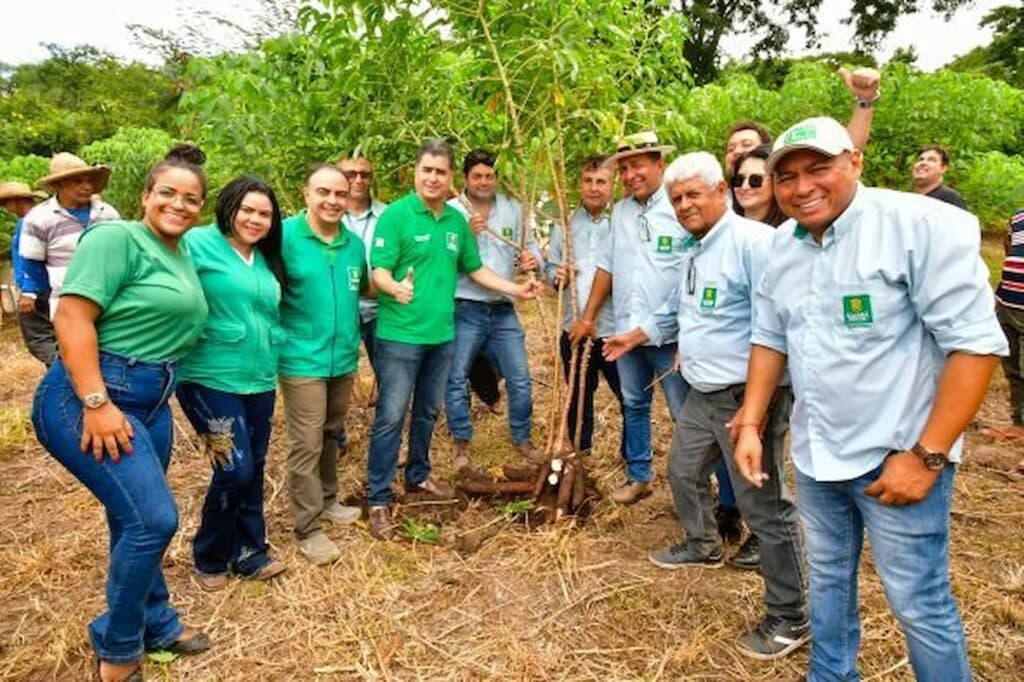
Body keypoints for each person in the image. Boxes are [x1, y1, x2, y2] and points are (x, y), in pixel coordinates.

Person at [733, 117, 1007, 680]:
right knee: (829, 585)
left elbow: (976, 347)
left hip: (897, 460)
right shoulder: (782, 246)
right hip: (817, 454)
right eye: (787, 177)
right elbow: (770, 337)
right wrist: (751, 424)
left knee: (918, 602)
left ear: (854, 162)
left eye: (819, 168)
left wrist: (927, 456)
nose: (802, 186)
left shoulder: (920, 226)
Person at [30, 145, 213, 682]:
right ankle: (117, 646)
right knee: (154, 519)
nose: (180, 205)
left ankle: (155, 622)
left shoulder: (180, 253)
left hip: (151, 398)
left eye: (192, 199)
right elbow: (72, 317)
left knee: (132, 517)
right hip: (94, 393)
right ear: (145, 196)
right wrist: (96, 402)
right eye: (168, 194)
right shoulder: (116, 238)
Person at [648, 152, 808, 660]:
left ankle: (791, 614)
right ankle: (704, 543)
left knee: (765, 507)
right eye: (677, 198)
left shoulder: (754, 244)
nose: (685, 204)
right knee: (681, 470)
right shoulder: (697, 248)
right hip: (702, 391)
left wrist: (756, 413)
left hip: (745, 399)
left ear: (723, 191)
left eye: (694, 193)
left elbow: (778, 327)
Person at [366, 139, 540, 540]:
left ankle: (419, 476)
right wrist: (394, 289)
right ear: (416, 173)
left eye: (440, 172)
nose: (433, 178)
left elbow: (476, 271)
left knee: (428, 411)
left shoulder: (456, 223)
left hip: (442, 335)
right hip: (399, 337)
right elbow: (378, 271)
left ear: (449, 180)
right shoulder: (395, 216)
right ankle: (378, 497)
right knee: (392, 416)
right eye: (427, 170)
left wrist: (517, 290)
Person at [175, 176, 288, 590]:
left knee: (254, 465)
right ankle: (210, 554)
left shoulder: (264, 258)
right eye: (248, 210)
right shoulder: (197, 244)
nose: (255, 219)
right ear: (229, 208)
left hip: (258, 378)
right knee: (233, 467)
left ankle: (251, 551)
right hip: (208, 377)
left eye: (264, 214)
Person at [569, 131, 689, 504]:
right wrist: (588, 317)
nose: (631, 174)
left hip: (670, 338)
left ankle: (701, 489)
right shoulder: (620, 212)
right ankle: (639, 476)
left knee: (684, 416)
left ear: (659, 165)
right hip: (625, 333)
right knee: (634, 404)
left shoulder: (680, 207)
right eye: (624, 168)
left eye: (638, 164)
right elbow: (607, 266)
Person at [278, 164, 370, 565]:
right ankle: (308, 526)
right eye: (323, 192)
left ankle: (329, 500)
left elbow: (364, 289)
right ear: (306, 193)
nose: (332, 201)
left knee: (332, 432)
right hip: (301, 358)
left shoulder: (353, 245)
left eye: (340, 193)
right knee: (307, 441)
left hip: (344, 355)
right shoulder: (282, 237)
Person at [445, 149, 544, 469]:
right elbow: (440, 262)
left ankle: (522, 438)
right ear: (465, 179)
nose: (484, 182)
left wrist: (533, 261)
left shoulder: (514, 209)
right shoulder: (451, 211)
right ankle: (461, 444)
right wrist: (466, 237)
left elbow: (530, 249)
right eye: (477, 176)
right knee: (456, 378)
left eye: (489, 176)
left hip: (502, 308)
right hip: (465, 305)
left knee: (520, 378)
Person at [545, 155, 626, 457]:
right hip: (574, 327)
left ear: (611, 184)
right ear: (579, 184)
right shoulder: (563, 226)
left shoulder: (621, 224)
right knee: (578, 396)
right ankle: (581, 452)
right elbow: (550, 268)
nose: (594, 188)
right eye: (588, 181)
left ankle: (631, 459)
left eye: (601, 181)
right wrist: (557, 276)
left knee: (628, 396)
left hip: (615, 328)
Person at [19, 152, 120, 319]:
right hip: (67, 304)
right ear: (60, 185)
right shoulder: (39, 218)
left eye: (89, 181)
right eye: (78, 181)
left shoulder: (107, 213)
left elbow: (121, 253)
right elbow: (32, 263)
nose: (86, 187)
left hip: (111, 300)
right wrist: (55, 288)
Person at [340, 154, 389, 378]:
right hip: (336, 309)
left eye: (365, 174)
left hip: (380, 309)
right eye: (351, 174)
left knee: (389, 376)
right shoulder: (326, 215)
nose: (358, 180)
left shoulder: (390, 216)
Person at [1, 181, 55, 365]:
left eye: (6, 203)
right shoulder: (36, 219)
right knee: (52, 334)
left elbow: (30, 257)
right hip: (44, 287)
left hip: (36, 289)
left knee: (39, 339)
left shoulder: (29, 223)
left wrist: (28, 291)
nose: (7, 208)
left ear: (15, 201)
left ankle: (63, 371)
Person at [988, 208, 1024, 473]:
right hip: (1007, 302)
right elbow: (1009, 248)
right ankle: (1019, 423)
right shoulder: (1018, 217)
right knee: (1012, 368)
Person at [730, 144, 787, 227]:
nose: (744, 187)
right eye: (739, 179)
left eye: (755, 180)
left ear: (776, 182)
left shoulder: (788, 233)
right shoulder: (720, 226)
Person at [911, 145, 968, 210]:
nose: (923, 163)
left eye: (931, 160)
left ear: (943, 168)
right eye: (920, 159)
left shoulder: (949, 199)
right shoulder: (910, 199)